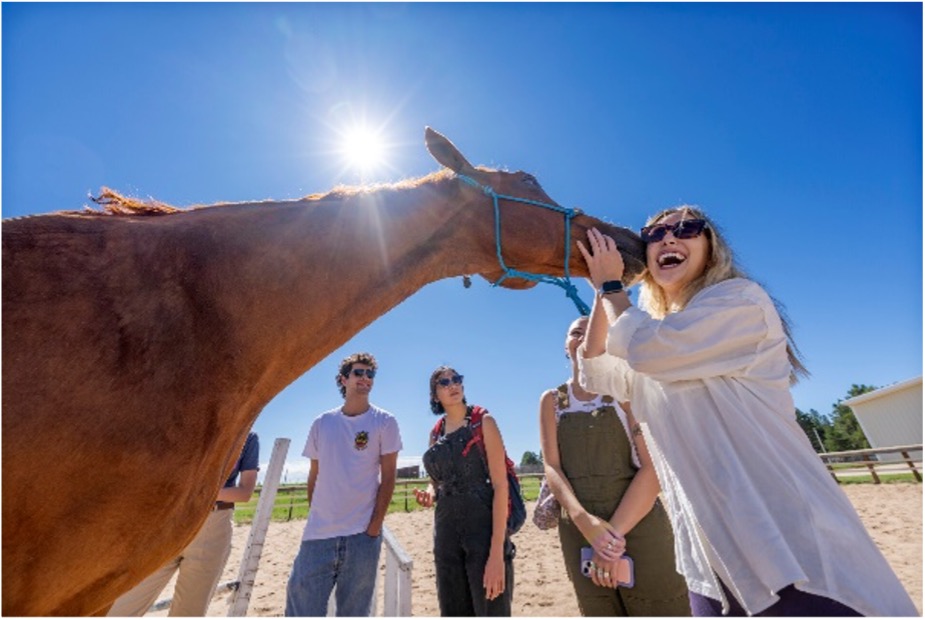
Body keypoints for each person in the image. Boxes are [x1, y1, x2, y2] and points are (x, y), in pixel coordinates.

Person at [575, 205, 918, 616]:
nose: (668, 238)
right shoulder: (651, 334)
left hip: (784, 541)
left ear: (712, 249)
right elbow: (594, 367)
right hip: (710, 557)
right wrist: (602, 288)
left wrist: (614, 286)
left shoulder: (739, 302)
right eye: (654, 234)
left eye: (687, 229)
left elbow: (651, 349)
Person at [539, 315, 690, 616]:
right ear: (565, 345)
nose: (582, 337)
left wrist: (610, 540)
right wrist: (585, 523)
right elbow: (552, 467)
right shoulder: (552, 400)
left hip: (638, 524)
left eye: (591, 331)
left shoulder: (625, 393)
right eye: (574, 332)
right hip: (580, 531)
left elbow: (652, 469)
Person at [285, 352, 402, 617]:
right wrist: (318, 514)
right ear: (343, 379)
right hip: (318, 535)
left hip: (362, 535)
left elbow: (389, 477)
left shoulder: (385, 422)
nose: (365, 378)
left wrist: (373, 527)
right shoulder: (322, 423)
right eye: (358, 373)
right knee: (301, 608)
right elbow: (314, 475)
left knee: (354, 613)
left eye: (370, 374)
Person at [107, 431, 260, 616]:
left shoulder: (247, 437)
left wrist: (198, 493)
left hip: (212, 525)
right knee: (125, 605)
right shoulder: (188, 424)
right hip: (168, 522)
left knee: (189, 611)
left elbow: (244, 492)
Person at [414, 366, 515, 616]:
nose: (452, 385)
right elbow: (436, 481)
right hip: (446, 533)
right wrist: (430, 491)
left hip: (483, 528)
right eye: (444, 382)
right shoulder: (436, 433)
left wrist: (496, 556)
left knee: (491, 609)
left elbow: (501, 486)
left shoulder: (483, 421)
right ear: (435, 395)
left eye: (456, 379)